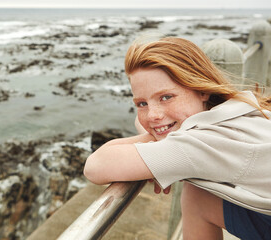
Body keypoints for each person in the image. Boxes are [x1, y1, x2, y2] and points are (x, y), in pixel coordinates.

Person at [83, 37, 271, 240]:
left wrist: (159, 149)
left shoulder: (199, 144)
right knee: (198, 195)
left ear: (201, 90)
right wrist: (158, 144)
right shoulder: (234, 110)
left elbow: (95, 166)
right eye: (142, 103)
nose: (153, 114)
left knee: (195, 194)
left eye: (166, 97)